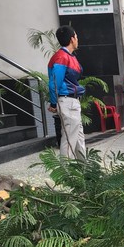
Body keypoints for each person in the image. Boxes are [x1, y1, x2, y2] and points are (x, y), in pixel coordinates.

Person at [47, 25, 86, 160]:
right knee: (69, 139)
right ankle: (65, 174)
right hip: (68, 101)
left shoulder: (66, 57)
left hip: (72, 101)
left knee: (78, 138)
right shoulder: (62, 57)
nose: (77, 39)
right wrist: (53, 103)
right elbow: (54, 84)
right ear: (72, 39)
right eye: (76, 36)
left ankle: (84, 171)